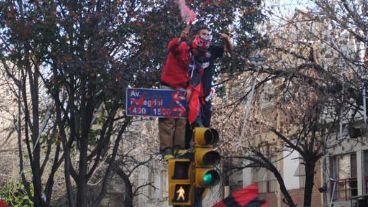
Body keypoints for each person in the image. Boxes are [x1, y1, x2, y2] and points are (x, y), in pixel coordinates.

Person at [187, 25, 233, 128]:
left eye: (208, 35)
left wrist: (226, 39)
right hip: (190, 94)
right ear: (197, 35)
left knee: (205, 127)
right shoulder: (189, 48)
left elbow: (229, 51)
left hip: (205, 97)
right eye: (203, 34)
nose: (206, 36)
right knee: (191, 127)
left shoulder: (211, 49)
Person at [159, 26, 192, 160]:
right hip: (168, 86)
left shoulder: (194, 55)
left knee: (181, 120)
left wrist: (189, 87)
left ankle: (178, 148)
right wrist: (180, 38)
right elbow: (172, 46)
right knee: (168, 119)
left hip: (182, 89)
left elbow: (194, 74)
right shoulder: (180, 47)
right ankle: (167, 149)